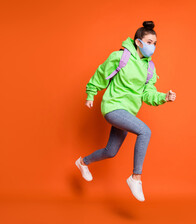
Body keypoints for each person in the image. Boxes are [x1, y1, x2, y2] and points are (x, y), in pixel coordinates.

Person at [75, 21, 176, 202]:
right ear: (138, 42)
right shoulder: (120, 57)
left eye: (155, 43)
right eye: (149, 42)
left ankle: (83, 162)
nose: (153, 47)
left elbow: (147, 93)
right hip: (113, 106)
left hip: (127, 112)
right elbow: (100, 74)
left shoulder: (149, 68)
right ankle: (135, 177)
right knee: (145, 131)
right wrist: (90, 94)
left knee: (111, 151)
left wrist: (163, 97)